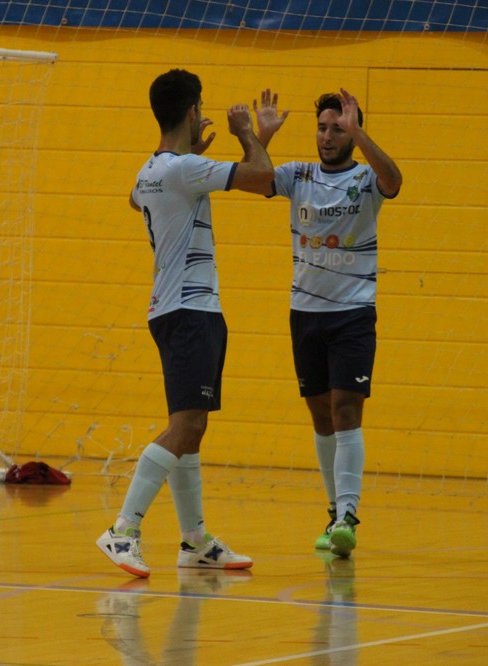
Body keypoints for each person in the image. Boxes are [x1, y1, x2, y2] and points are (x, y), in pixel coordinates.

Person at [96, 69, 275, 578]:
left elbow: (136, 199)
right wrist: (250, 134)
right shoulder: (184, 168)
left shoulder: (150, 170)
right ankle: (123, 529)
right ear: (193, 110)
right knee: (187, 425)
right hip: (190, 310)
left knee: (193, 427)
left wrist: (200, 156)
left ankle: (195, 540)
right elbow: (264, 178)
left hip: (176, 309)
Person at [247, 88, 403, 557]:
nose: (328, 136)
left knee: (346, 410)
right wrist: (261, 137)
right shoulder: (299, 175)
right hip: (305, 314)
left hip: (353, 313)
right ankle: (334, 513)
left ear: (352, 133)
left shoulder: (366, 178)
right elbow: (251, 178)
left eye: (338, 128)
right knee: (320, 415)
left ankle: (348, 516)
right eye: (322, 128)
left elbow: (394, 180)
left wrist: (362, 134)